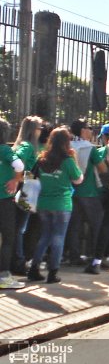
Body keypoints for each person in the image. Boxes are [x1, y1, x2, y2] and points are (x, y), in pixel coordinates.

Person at [28, 127, 83, 283]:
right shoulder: (68, 160)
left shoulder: (41, 159)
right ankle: (53, 273)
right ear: (66, 142)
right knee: (58, 237)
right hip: (62, 204)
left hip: (43, 203)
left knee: (45, 236)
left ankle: (34, 269)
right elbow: (78, 179)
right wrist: (75, 160)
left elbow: (31, 177)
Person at [65, 119, 108, 266]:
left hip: (71, 192)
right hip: (89, 192)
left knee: (74, 225)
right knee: (97, 224)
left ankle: (74, 256)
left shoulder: (68, 147)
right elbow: (103, 168)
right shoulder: (90, 148)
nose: (91, 131)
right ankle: (94, 256)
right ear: (83, 131)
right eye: (89, 128)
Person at [11, 115, 43, 275]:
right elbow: (18, 161)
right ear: (33, 130)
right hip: (26, 188)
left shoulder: (21, 145)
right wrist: (19, 178)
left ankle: (17, 260)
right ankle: (19, 261)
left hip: (22, 186)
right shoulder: (28, 146)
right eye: (39, 128)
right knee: (20, 228)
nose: (41, 131)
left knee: (17, 227)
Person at [84, 123, 109, 274]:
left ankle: (96, 258)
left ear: (104, 137)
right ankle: (106, 257)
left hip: (103, 192)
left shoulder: (102, 151)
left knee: (102, 225)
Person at [0, 118, 25, 289]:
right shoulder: (4, 150)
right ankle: (4, 276)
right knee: (8, 237)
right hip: (4, 200)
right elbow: (19, 165)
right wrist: (16, 180)